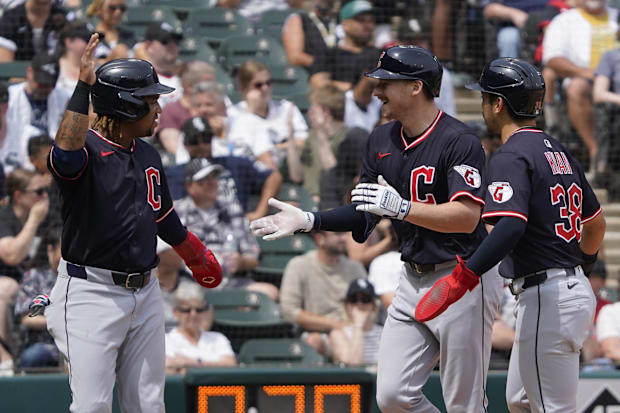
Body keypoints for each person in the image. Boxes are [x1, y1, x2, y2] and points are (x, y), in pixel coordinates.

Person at [251, 45, 504, 412]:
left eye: (387, 82)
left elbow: (467, 216)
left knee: (463, 403)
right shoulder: (380, 139)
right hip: (413, 275)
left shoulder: (459, 140)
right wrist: (310, 220)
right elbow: (365, 213)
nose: (377, 90)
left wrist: (402, 209)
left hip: (462, 276)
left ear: (416, 87)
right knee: (392, 396)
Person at [43, 35, 222, 412]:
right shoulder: (87, 150)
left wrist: (193, 252)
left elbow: (164, 217)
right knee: (92, 407)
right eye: (150, 100)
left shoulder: (148, 153)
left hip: (146, 291)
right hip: (90, 292)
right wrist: (82, 87)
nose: (158, 108)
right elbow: (64, 154)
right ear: (125, 105)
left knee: (148, 406)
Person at [416, 57, 606, 412]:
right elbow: (595, 225)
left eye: (486, 97)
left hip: (547, 295)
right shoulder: (561, 152)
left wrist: (465, 276)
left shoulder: (511, 154)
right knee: (518, 401)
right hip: (566, 288)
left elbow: (511, 224)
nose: (485, 104)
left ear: (498, 104)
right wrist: (582, 269)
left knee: (551, 408)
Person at [175, 157, 278, 301]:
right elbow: (167, 257)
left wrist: (241, 262)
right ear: (190, 187)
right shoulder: (177, 212)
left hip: (232, 282)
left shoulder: (231, 207)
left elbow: (253, 255)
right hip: (191, 284)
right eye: (204, 180)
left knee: (269, 292)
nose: (212, 183)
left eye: (214, 178)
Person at [542, 0, 619, 174]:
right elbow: (552, 58)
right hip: (586, 80)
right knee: (576, 88)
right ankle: (596, 152)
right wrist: (587, 73)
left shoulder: (616, 16)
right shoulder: (565, 20)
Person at [279, 230, 367, 356]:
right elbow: (289, 311)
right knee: (313, 341)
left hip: (353, 331)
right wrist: (334, 324)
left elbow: (373, 304)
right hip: (317, 333)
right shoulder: (298, 265)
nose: (343, 238)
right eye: (337, 234)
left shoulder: (355, 267)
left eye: (345, 234)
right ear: (319, 239)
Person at [0, 168, 49, 374]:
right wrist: (34, 220)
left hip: (41, 284)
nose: (45, 197)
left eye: (46, 191)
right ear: (19, 196)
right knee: (6, 288)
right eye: (38, 192)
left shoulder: (49, 215)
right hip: (12, 284)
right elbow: (11, 256)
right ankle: (5, 359)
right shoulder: (4, 217)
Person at [0, 52, 70, 172]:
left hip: (51, 165)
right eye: (40, 82)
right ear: (29, 72)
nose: (43, 88)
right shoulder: (10, 97)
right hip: (15, 165)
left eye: (48, 84)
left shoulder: (64, 98)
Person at [233, 59, 309, 167]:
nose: (265, 88)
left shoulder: (286, 108)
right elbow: (239, 150)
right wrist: (250, 111)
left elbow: (304, 142)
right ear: (244, 88)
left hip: (288, 168)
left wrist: (274, 148)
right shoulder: (234, 114)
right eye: (258, 85)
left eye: (268, 83)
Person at [14, 227, 61, 369]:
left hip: (79, 343)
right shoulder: (34, 277)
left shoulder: (79, 279)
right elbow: (27, 318)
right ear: (50, 250)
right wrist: (57, 321)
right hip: (47, 345)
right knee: (32, 356)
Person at [165, 282, 236, 374]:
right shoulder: (166, 340)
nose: (193, 314)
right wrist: (215, 364)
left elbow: (231, 364)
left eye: (198, 310)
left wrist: (192, 362)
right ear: (175, 312)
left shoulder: (218, 338)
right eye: (187, 310)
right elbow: (169, 367)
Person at [309, 0, 382, 91]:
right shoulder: (329, 54)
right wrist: (354, 89)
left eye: (371, 21)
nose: (367, 25)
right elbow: (318, 82)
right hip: (338, 103)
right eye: (361, 20)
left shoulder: (381, 55)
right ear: (345, 24)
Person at [329, 277, 383, 366]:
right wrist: (358, 326)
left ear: (373, 305)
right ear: (347, 305)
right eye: (354, 299)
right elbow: (353, 364)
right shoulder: (338, 335)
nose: (359, 304)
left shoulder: (386, 334)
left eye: (365, 299)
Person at [0, 0, 67, 61]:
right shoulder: (10, 19)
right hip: (21, 73)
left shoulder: (65, 17)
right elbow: (7, 68)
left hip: (56, 72)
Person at [282, 0, 337, 71]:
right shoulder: (299, 19)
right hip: (311, 74)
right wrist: (328, 66)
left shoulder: (339, 22)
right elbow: (295, 57)